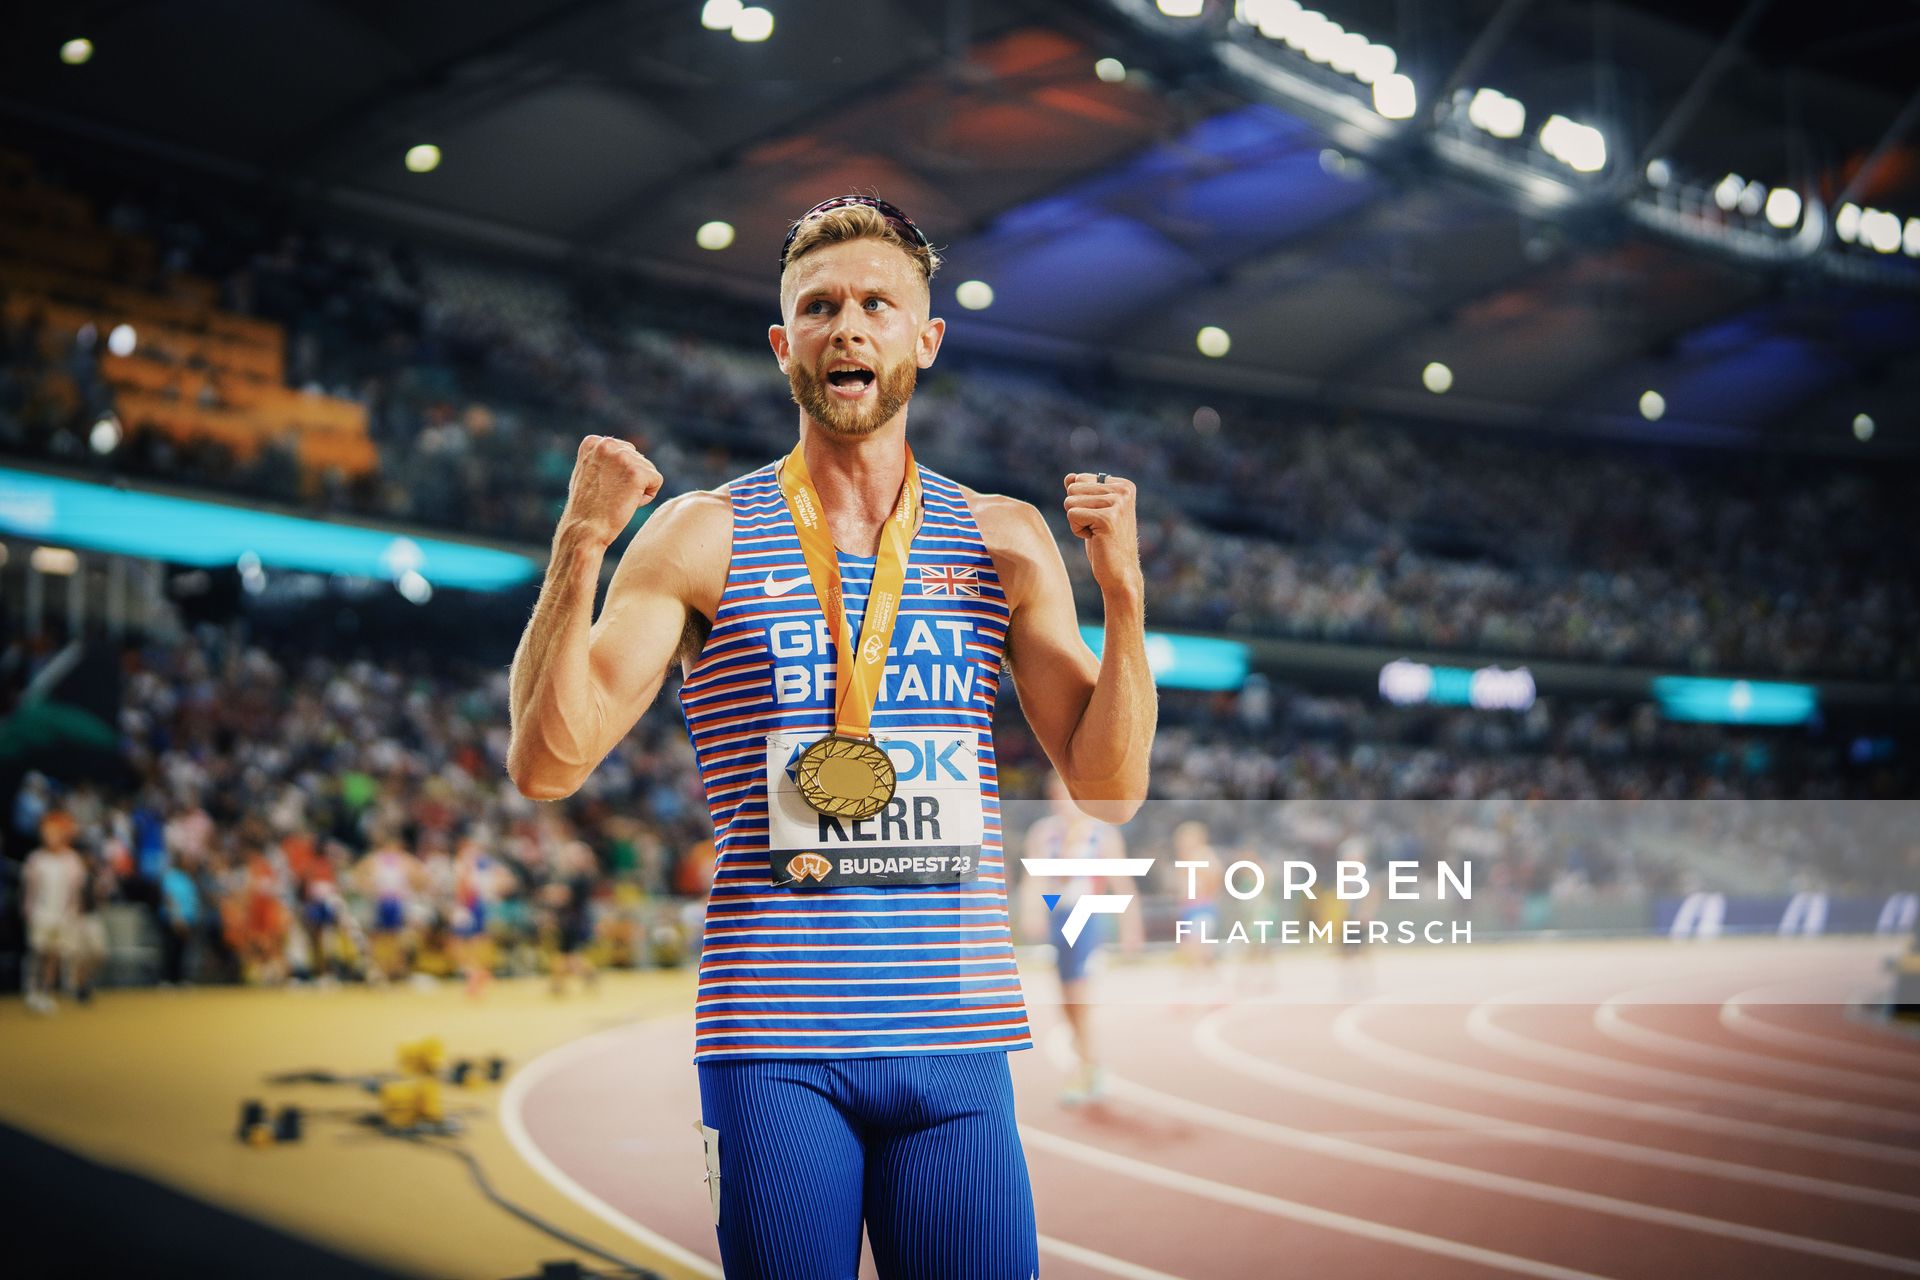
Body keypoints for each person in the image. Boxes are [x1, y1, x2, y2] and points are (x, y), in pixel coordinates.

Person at [508, 194, 1156, 1279]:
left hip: (957, 1043)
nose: (846, 325)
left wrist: (1126, 596)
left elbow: (1111, 785)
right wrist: (582, 539)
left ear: (924, 339)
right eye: (818, 306)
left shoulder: (1003, 538)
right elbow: (547, 759)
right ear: (784, 344)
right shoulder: (702, 532)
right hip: (774, 1042)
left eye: (875, 303)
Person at [1023, 774, 1128, 1105]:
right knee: (1066, 997)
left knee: (1079, 994)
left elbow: (1122, 881)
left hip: (1087, 915)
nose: (1059, 801)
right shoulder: (1044, 832)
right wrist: (1032, 911)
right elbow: (1033, 876)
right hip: (1058, 918)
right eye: (1054, 794)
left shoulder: (1101, 833)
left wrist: (1130, 925)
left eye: (1065, 794)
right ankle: (1089, 1064)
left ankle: (1084, 1067)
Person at [22, 812, 86, 1015]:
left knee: (54, 955)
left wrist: (73, 914)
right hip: (41, 914)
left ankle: (46, 991)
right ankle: (32, 990)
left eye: (55, 833)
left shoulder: (72, 860)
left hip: (62, 915)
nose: (50, 838)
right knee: (38, 952)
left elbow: (76, 893)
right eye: (47, 833)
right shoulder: (36, 859)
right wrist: (28, 910)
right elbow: (29, 890)